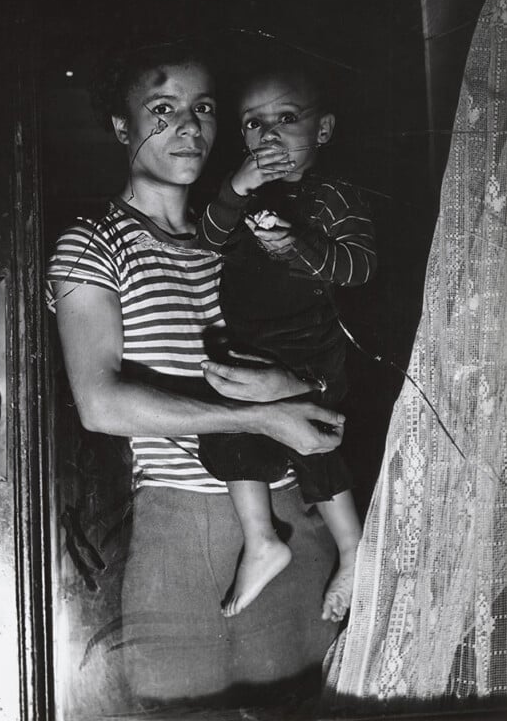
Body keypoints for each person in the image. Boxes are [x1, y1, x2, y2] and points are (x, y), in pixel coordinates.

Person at [47, 40, 345, 708]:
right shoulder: (95, 240)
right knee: (173, 706)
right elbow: (101, 403)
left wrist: (288, 391)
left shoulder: (240, 234)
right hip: (179, 522)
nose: (189, 126)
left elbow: (321, 353)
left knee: (302, 705)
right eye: (163, 108)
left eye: (204, 108)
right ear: (122, 127)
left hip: (292, 513)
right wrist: (259, 415)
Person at [196, 57, 377, 621]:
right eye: (253, 124)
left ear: (322, 130)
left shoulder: (333, 197)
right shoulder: (242, 191)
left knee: (316, 439)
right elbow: (209, 236)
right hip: (251, 345)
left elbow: (361, 267)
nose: (267, 135)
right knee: (230, 430)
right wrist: (235, 186)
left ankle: (351, 550)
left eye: (286, 118)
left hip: (310, 348)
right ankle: (261, 541)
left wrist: (299, 245)